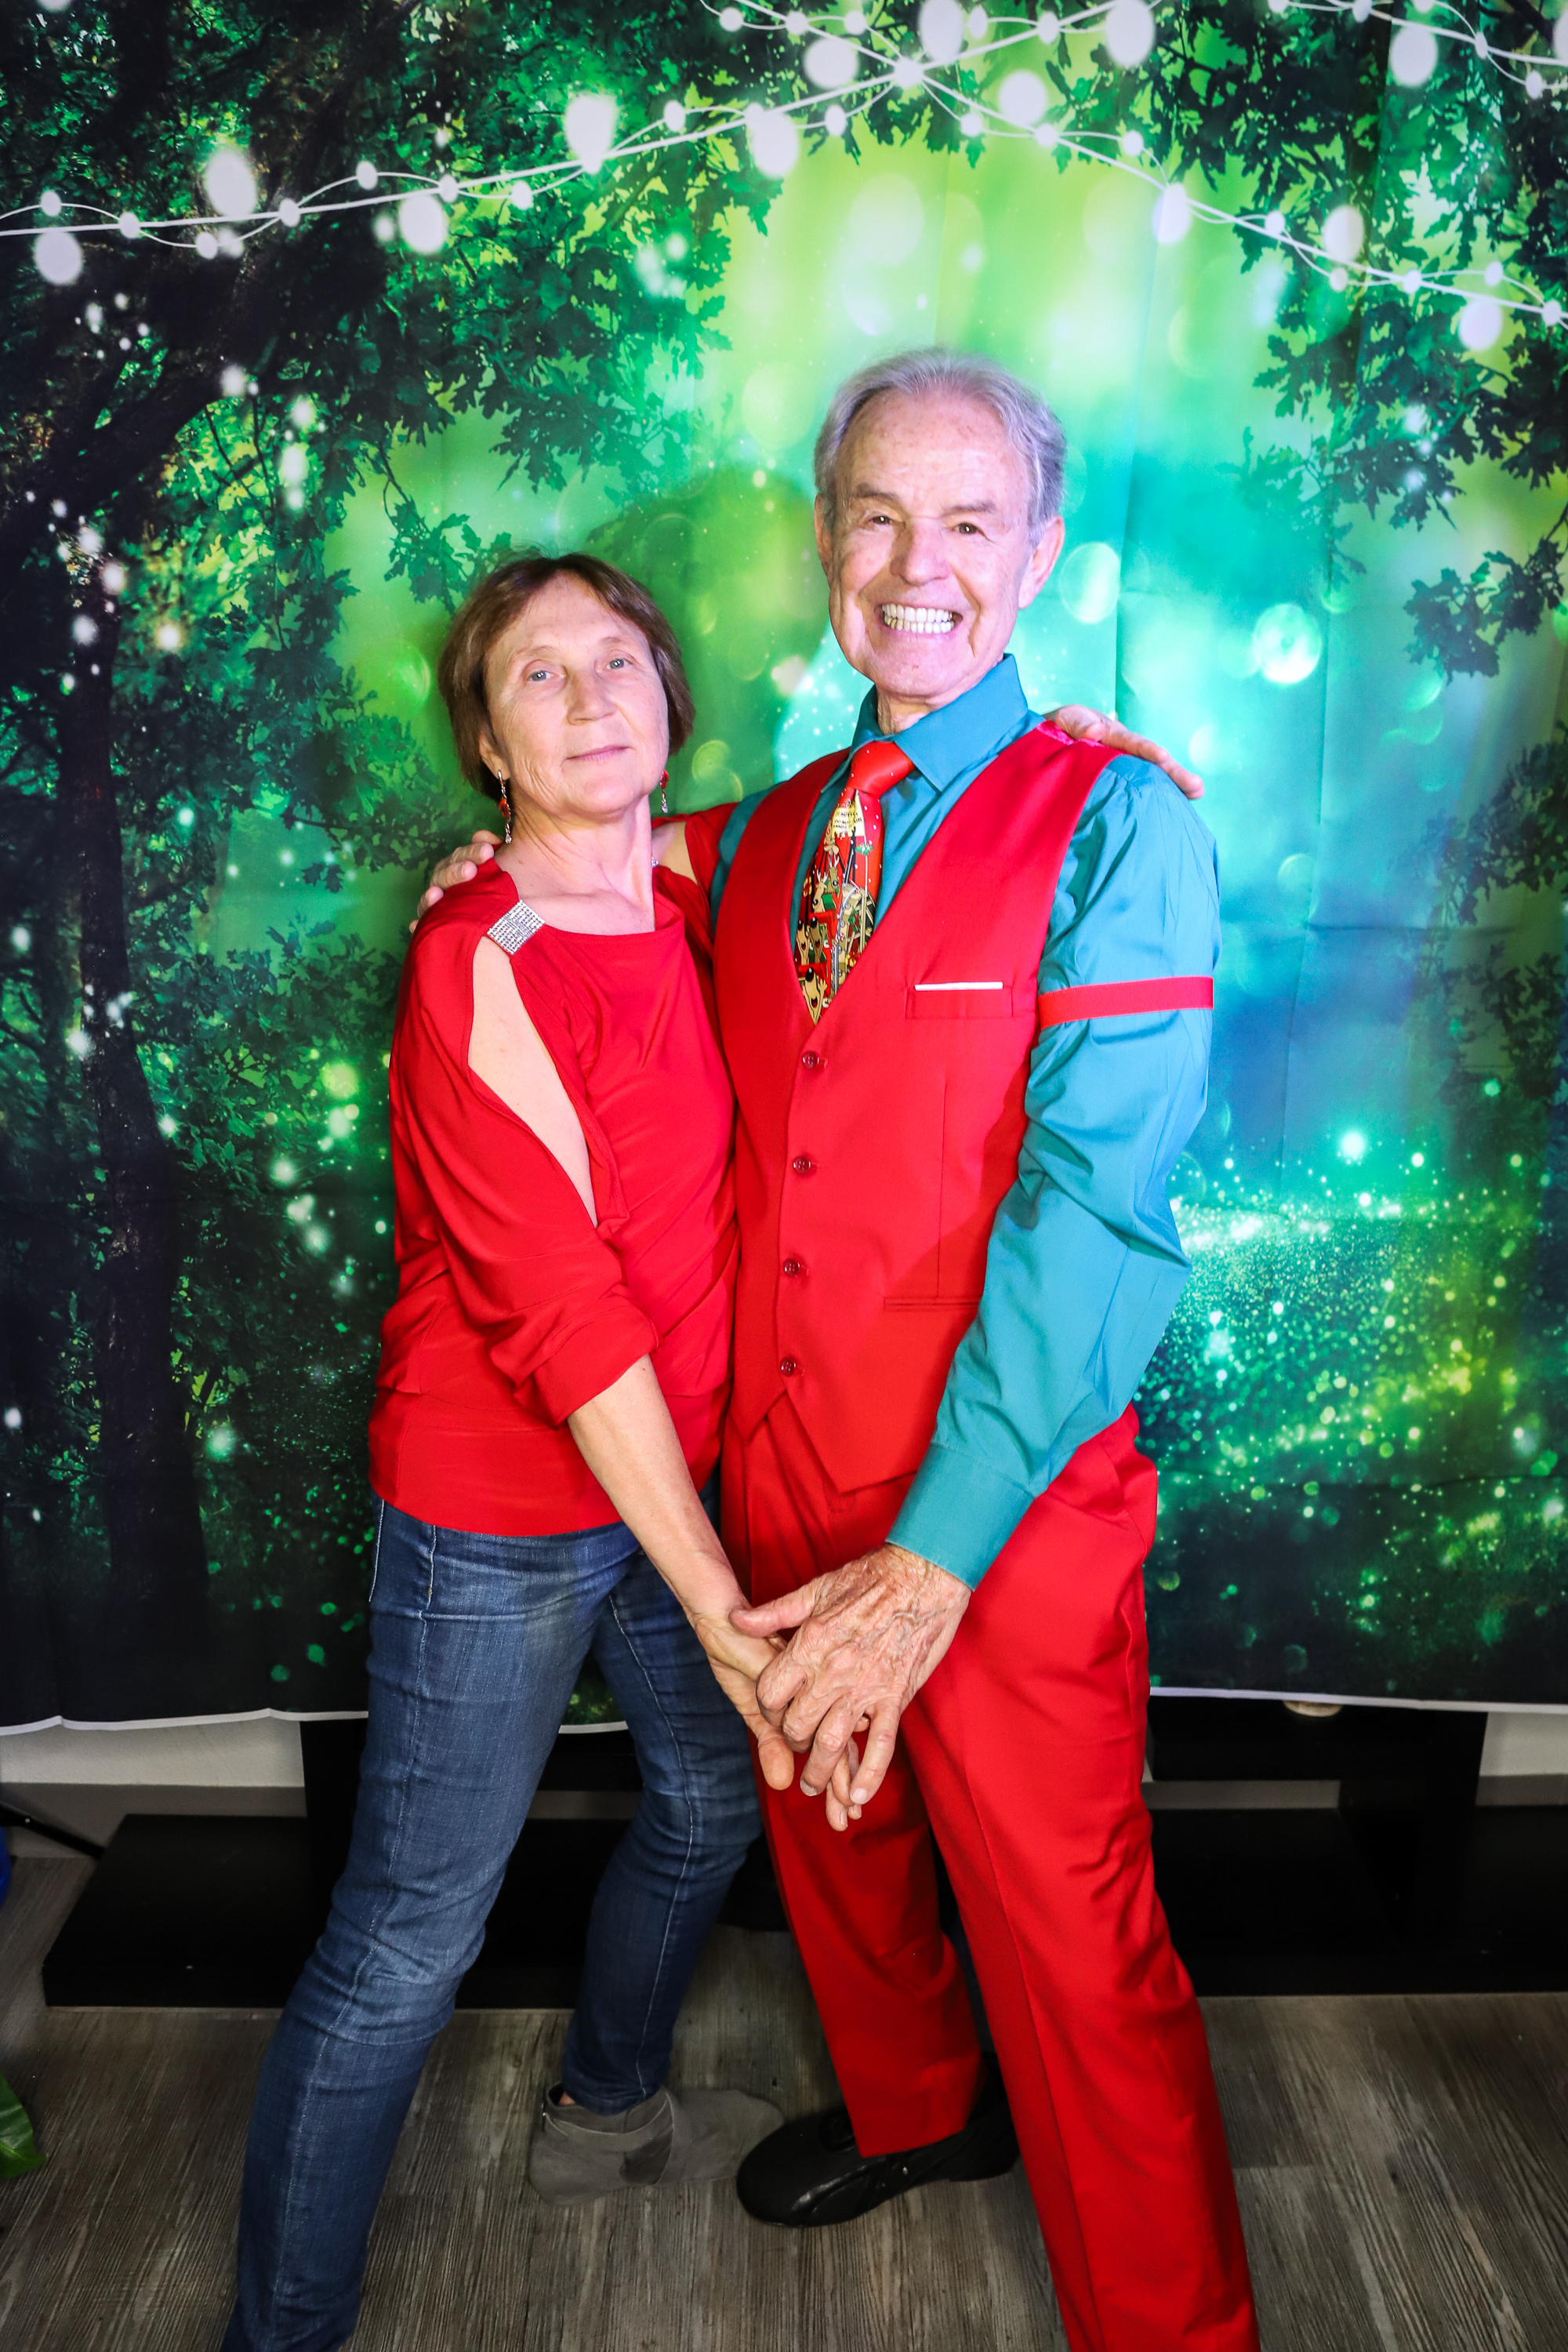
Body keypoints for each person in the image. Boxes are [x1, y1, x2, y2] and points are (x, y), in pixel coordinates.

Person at [429, 350, 1258, 2350]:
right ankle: (917, 2108)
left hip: (1007, 1501)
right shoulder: (769, 835)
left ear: (1038, 552)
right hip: (781, 1468)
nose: (915, 565)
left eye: (968, 522)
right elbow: (609, 868)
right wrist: (502, 854)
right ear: (824, 540)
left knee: (1076, 1944)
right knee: (837, 1842)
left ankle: (1174, 2324)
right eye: (876, 516)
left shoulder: (1118, 823)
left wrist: (934, 1561)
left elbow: (1098, 1220)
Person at [223, 553, 864, 2352]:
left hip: (670, 1490)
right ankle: (280, 2333)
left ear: (667, 697)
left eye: (616, 663)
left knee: (712, 1802)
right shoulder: (473, 959)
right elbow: (570, 1322)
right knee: (409, 1932)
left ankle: (605, 2109)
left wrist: (1081, 745)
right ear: (488, 751)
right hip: (499, 1512)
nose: (588, 699)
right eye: (535, 677)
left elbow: (899, 793)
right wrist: (721, 1602)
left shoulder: (700, 880)